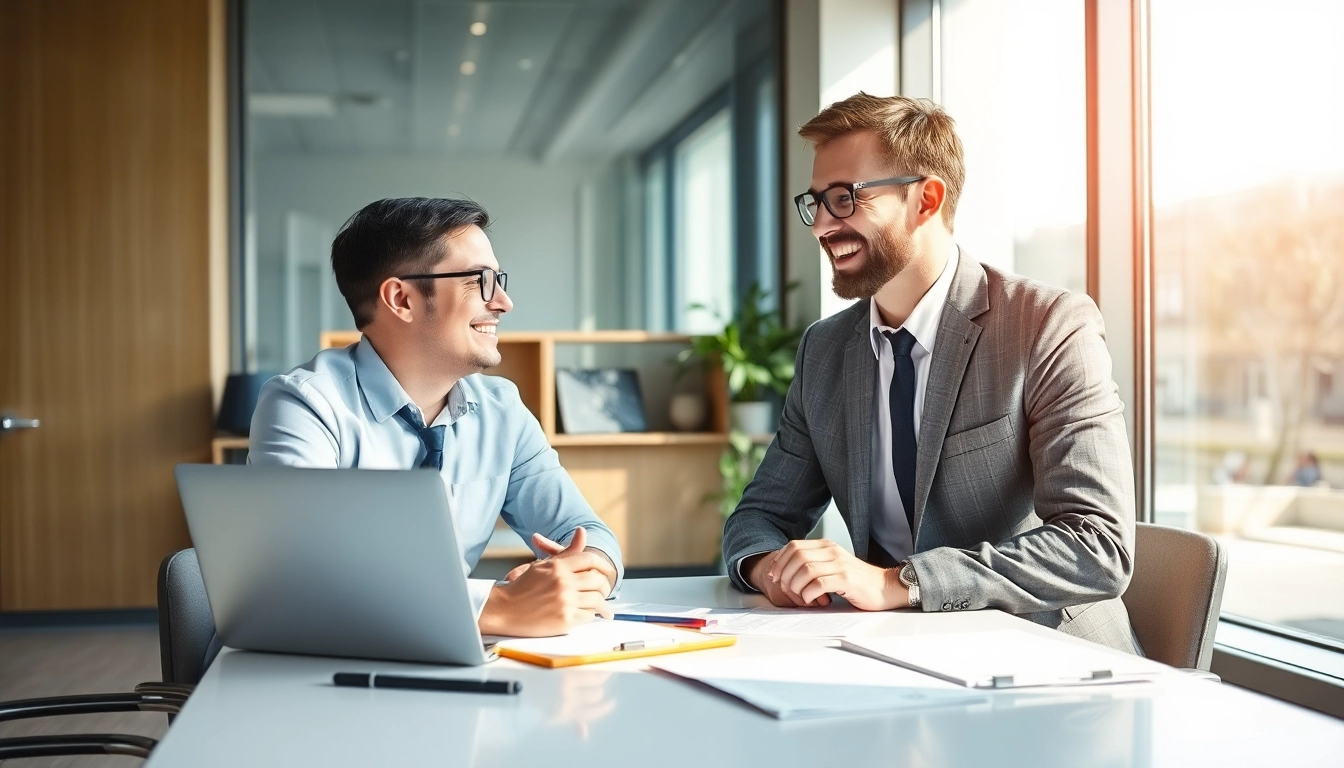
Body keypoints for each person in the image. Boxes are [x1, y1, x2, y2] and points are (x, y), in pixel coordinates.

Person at [722, 93, 1142, 654]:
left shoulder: (1046, 326)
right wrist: (768, 565)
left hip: (1047, 660)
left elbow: (1097, 547)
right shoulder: (825, 350)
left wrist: (898, 582)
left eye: (844, 199)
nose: (822, 224)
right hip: (895, 657)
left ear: (926, 200)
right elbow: (759, 516)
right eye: (816, 202)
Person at [249, 197, 622, 638]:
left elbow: (588, 534)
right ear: (401, 298)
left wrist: (584, 573)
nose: (503, 302)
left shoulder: (502, 411)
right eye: (479, 282)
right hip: (301, 672)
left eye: (498, 280)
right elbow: (298, 573)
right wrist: (494, 607)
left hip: (440, 663)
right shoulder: (303, 406)